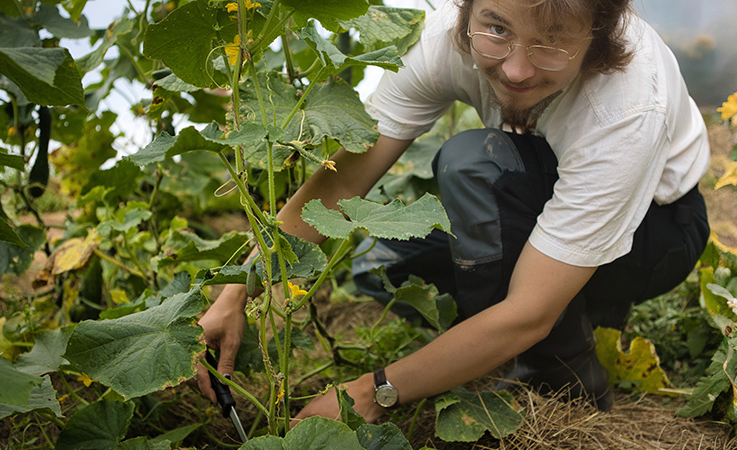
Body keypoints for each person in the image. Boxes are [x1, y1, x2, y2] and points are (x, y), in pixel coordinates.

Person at [195, 0, 710, 424]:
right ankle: (493, 336)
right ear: (466, 11)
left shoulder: (625, 106)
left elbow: (527, 311)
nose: (515, 68)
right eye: (496, 29)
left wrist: (375, 392)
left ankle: (562, 371)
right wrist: (236, 291)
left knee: (470, 165)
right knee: (379, 263)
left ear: (597, 34)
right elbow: (344, 179)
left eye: (552, 42)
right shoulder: (445, 36)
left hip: (656, 233)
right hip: (539, 194)